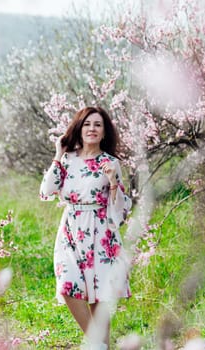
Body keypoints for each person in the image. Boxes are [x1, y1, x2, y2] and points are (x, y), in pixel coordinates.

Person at [40, 106, 132, 349]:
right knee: (68, 286)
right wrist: (58, 154)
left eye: (98, 125)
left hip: (101, 233)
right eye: (87, 124)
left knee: (99, 297)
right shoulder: (68, 160)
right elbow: (46, 191)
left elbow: (121, 211)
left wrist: (113, 181)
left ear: (104, 132)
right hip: (71, 229)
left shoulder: (111, 162)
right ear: (79, 129)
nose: (92, 128)